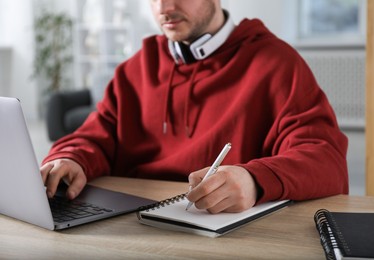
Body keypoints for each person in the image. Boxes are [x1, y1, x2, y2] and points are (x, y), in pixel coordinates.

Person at [40, 0, 348, 214]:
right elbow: (95, 135)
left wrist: (255, 179)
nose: (164, 8)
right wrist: (71, 158)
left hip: (225, 236)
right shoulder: (134, 69)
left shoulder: (278, 64)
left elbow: (326, 161)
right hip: (134, 228)